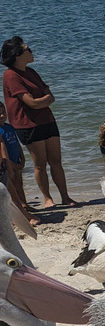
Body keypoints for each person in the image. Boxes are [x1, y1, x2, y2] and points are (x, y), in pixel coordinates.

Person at [1, 36, 75, 208]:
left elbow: (50, 97)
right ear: (17, 55)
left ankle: (65, 197)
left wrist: (44, 99)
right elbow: (32, 103)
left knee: (56, 161)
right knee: (40, 164)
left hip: (47, 119)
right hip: (27, 124)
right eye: (28, 49)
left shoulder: (31, 72)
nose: (31, 51)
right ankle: (48, 199)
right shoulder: (11, 75)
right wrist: (44, 99)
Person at [0, 104, 32, 224]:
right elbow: (3, 150)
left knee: (19, 184)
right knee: (10, 186)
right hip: (8, 163)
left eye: (4, 112)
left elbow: (17, 144)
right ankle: (16, 210)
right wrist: (10, 164)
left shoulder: (9, 127)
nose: (2, 115)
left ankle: (24, 205)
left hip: (16, 160)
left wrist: (22, 158)